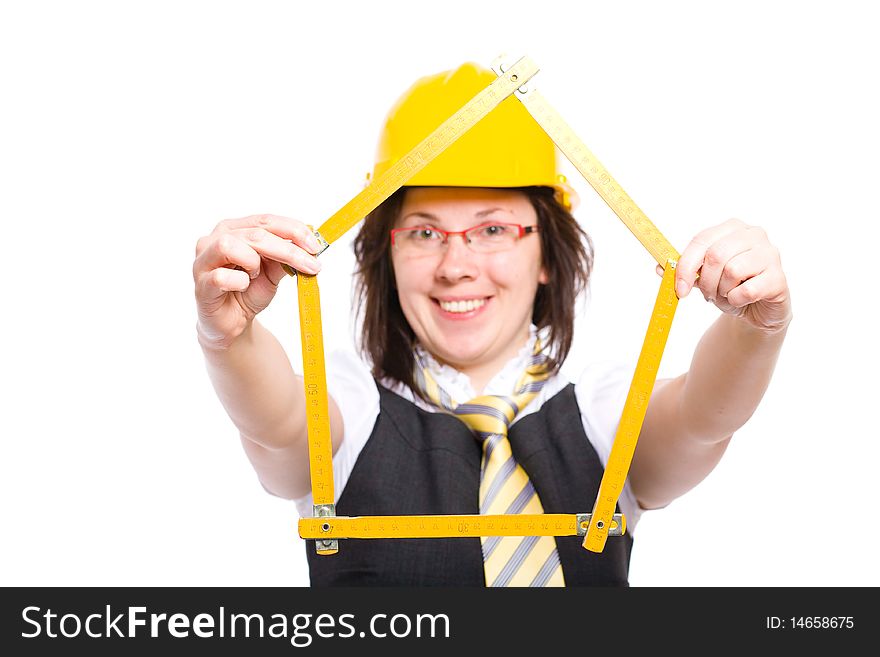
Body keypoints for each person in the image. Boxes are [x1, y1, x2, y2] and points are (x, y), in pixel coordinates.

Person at [193, 62, 792, 586]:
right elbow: (278, 424)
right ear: (388, 255)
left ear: (546, 258)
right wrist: (230, 336)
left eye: (493, 229)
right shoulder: (348, 416)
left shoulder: (605, 412)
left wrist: (755, 329)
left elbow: (701, 418)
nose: (457, 266)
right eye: (424, 232)